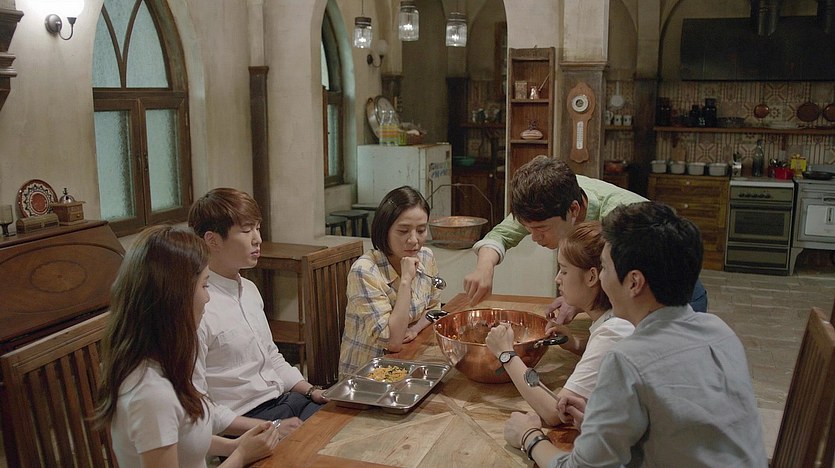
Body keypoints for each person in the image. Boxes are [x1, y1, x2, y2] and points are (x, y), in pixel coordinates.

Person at [503, 202, 766, 467]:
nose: (601, 279)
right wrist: (602, 420)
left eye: (604, 267)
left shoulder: (626, 360)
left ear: (634, 282)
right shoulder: (721, 332)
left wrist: (529, 437)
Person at [96, 225, 281, 467]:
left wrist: (233, 445)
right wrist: (241, 456)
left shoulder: (166, 359)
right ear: (176, 297)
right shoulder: (151, 392)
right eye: (204, 286)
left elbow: (185, 437)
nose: (208, 297)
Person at [462, 155, 708, 318]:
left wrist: (583, 303)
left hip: (672, 298)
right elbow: (501, 235)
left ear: (574, 210)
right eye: (528, 228)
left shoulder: (623, 218)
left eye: (542, 229)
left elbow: (636, 286)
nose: (535, 237)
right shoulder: (544, 197)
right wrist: (484, 269)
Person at [188, 188, 325, 426]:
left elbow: (271, 356)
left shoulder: (249, 289)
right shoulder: (199, 306)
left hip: (284, 400)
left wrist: (312, 390)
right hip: (247, 420)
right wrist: (272, 428)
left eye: (257, 228)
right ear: (212, 240)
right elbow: (198, 403)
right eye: (246, 230)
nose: (257, 239)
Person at [485, 222, 633, 428]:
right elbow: (606, 359)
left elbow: (554, 412)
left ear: (592, 276)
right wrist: (576, 345)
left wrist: (506, 354)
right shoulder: (617, 319)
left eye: (564, 271)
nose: (557, 279)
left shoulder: (614, 331)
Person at [339, 186, 442, 375]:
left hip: (409, 360)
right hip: (368, 374)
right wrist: (406, 281)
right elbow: (393, 341)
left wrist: (415, 329)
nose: (414, 240)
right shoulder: (364, 271)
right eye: (403, 231)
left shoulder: (425, 257)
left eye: (421, 230)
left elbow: (434, 307)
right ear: (384, 230)